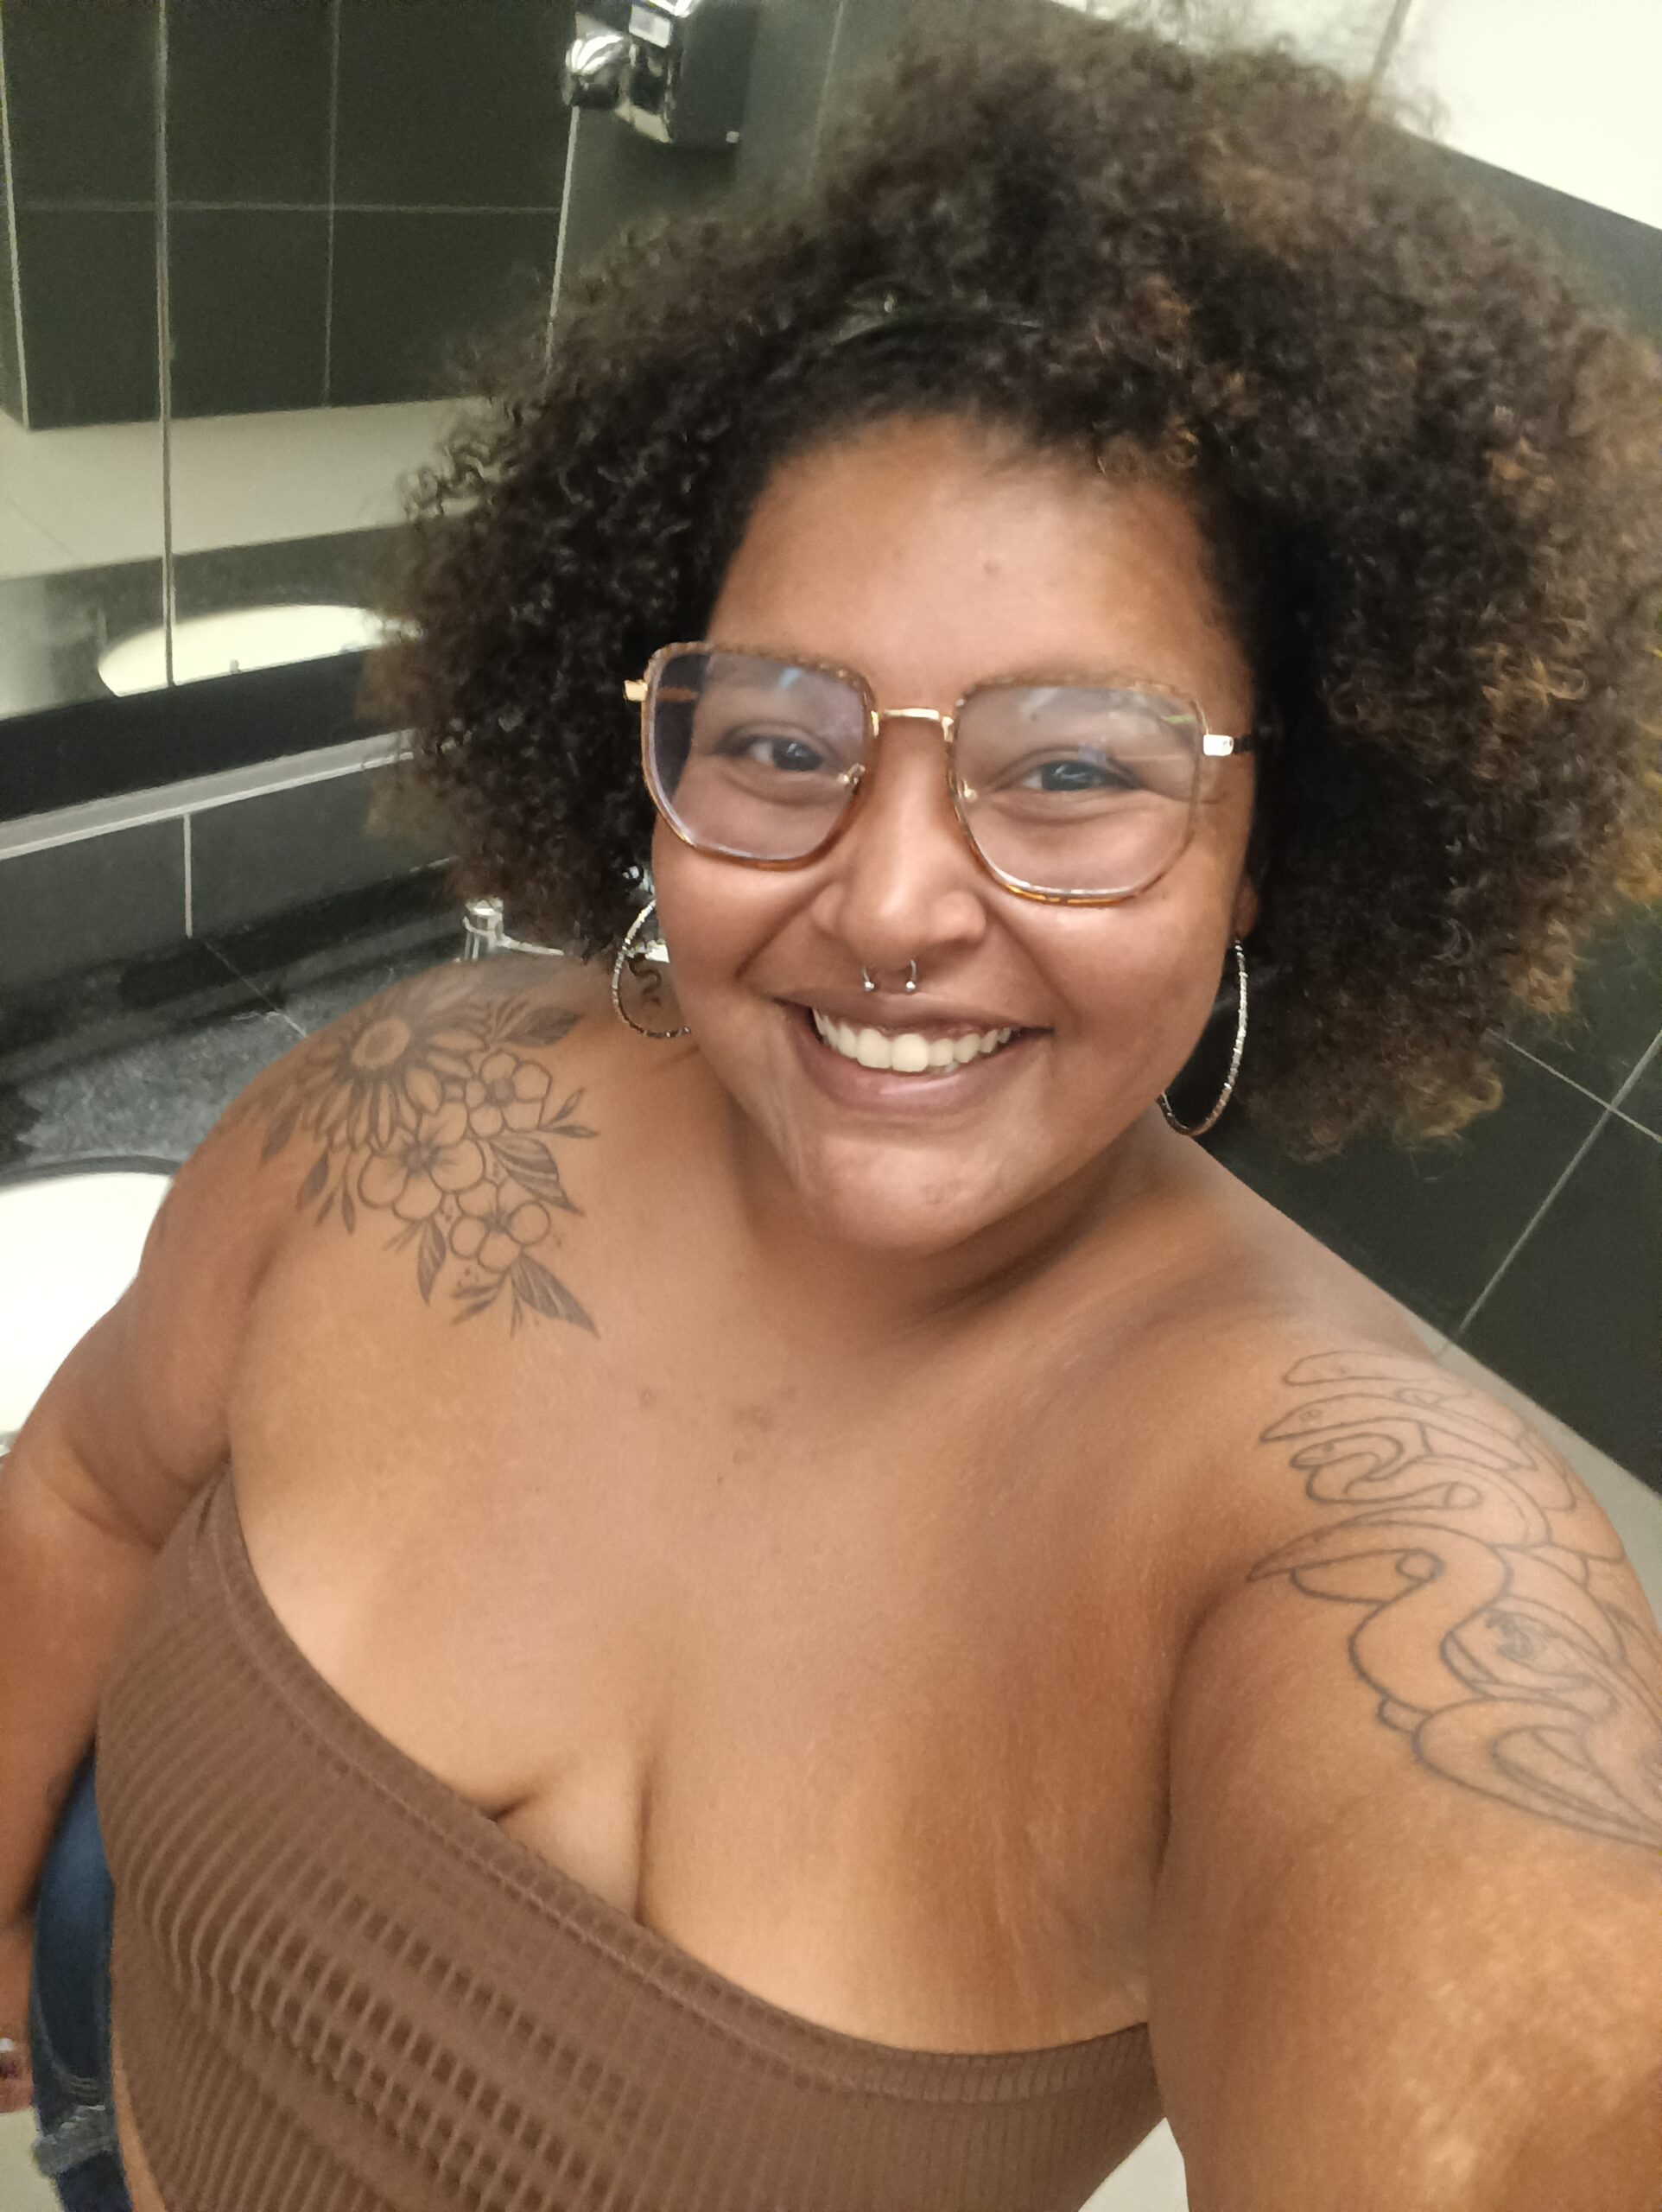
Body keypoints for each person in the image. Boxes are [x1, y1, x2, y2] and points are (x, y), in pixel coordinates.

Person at [3, 6, 1660, 2207]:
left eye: (1069, 770)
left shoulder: (1355, 1534)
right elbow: (85, 1491)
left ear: (1270, 839)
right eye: (780, 740)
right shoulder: (403, 1111)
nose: (886, 905)